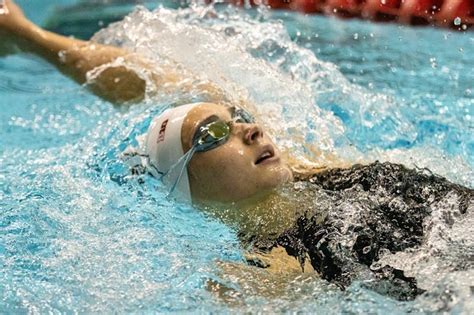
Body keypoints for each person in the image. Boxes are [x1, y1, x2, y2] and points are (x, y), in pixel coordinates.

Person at [1, 0, 472, 301]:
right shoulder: (266, 277)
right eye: (211, 135)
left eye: (238, 118)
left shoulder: (311, 167)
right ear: (190, 188)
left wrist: (32, 38)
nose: (248, 130)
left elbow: (151, 81)